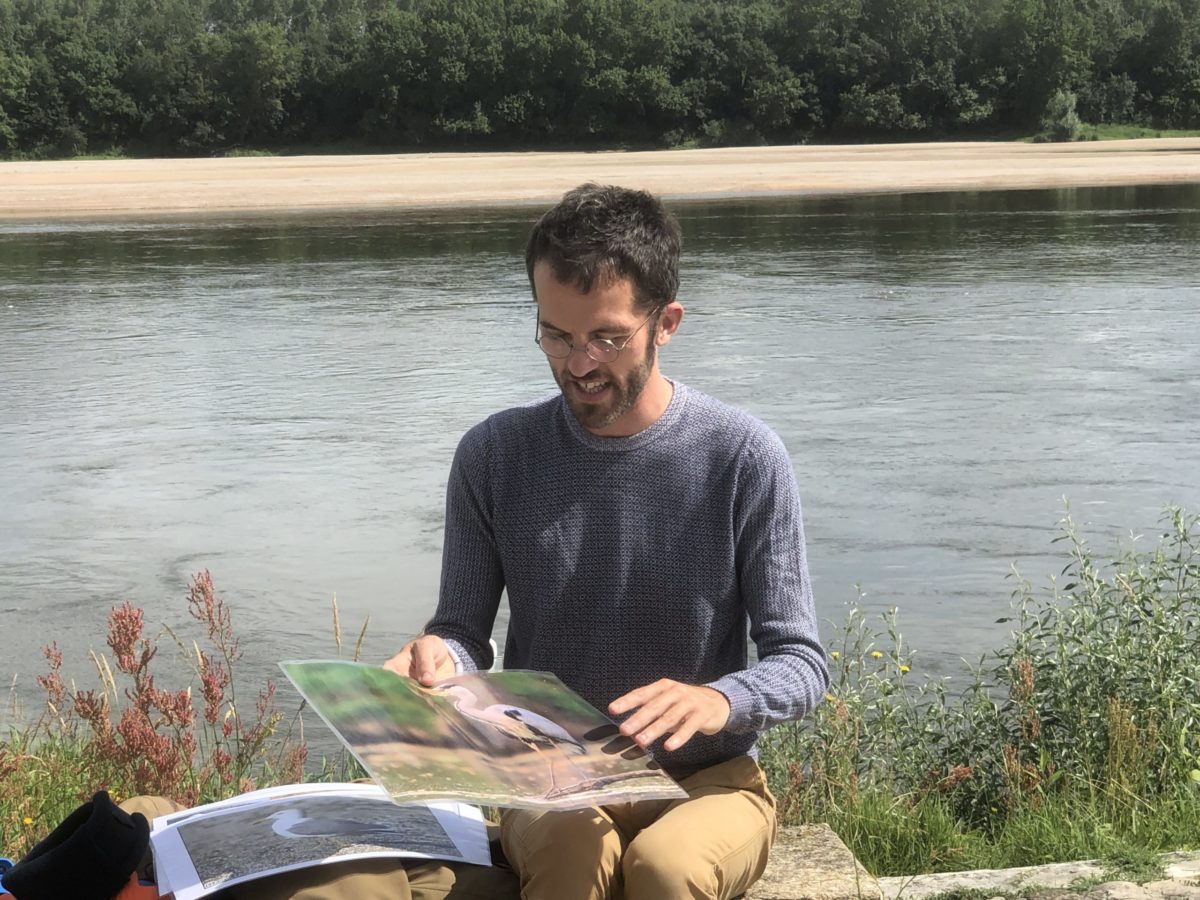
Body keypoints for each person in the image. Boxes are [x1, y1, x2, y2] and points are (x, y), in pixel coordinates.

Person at [385, 182, 829, 900]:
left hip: (710, 781)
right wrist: (439, 659)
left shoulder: (744, 457)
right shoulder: (494, 455)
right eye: (556, 335)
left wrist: (720, 700)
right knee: (569, 855)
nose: (579, 363)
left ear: (666, 323)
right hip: (551, 778)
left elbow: (801, 662)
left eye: (606, 337)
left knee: (666, 869)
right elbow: (464, 633)